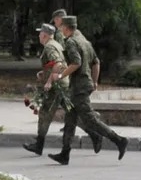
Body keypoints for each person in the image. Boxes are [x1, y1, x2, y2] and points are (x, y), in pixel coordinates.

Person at [45, 16, 128, 166]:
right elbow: (96, 62)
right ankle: (65, 153)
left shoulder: (71, 41)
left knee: (90, 119)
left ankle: (119, 140)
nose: (61, 29)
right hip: (83, 85)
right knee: (70, 119)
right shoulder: (85, 41)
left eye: (62, 26)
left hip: (79, 87)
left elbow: (76, 63)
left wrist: (60, 75)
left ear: (66, 27)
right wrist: (95, 81)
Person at [23, 23, 103, 156]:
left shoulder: (49, 47)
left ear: (44, 35)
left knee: (44, 114)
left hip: (57, 87)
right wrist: (44, 73)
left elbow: (58, 64)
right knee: (72, 114)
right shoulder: (57, 44)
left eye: (40, 33)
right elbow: (60, 64)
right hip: (63, 85)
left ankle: (39, 145)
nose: (38, 35)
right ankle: (95, 135)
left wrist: (49, 81)